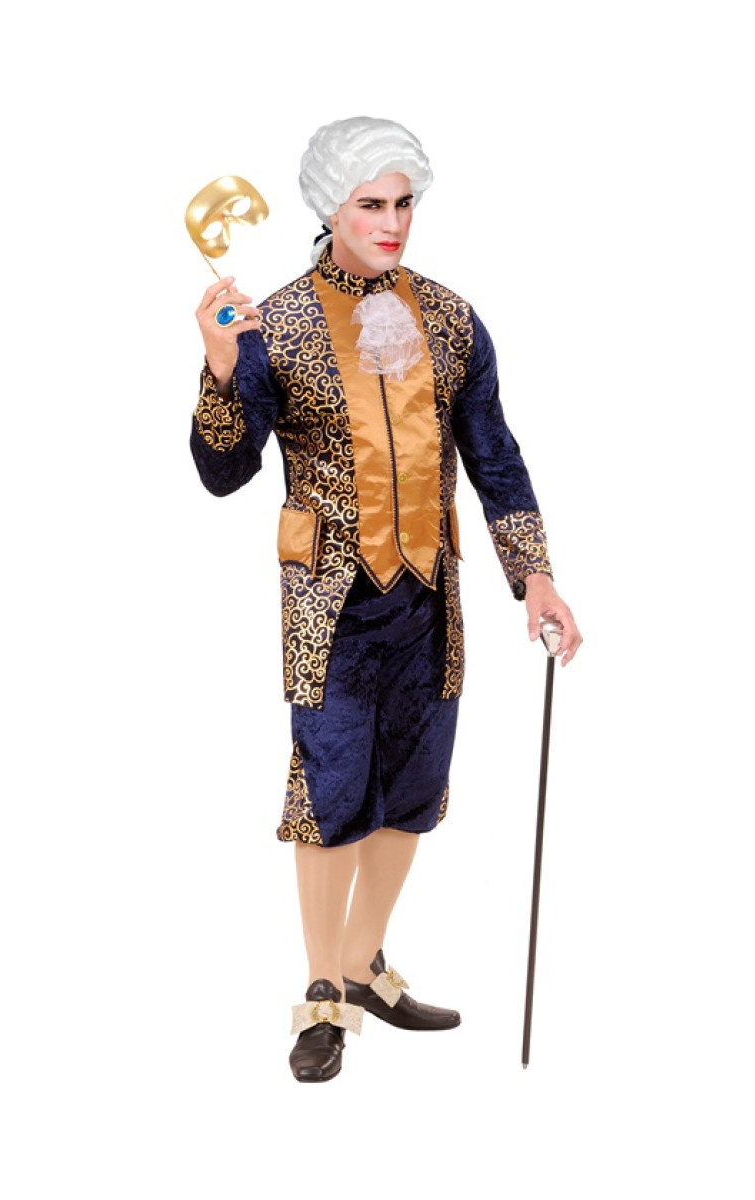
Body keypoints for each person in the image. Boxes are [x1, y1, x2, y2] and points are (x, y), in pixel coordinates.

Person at [190, 116, 582, 1082]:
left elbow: (494, 455)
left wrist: (533, 574)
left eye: (405, 203)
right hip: (330, 606)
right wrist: (221, 372)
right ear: (330, 207)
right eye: (372, 204)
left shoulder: (450, 318)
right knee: (329, 794)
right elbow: (223, 473)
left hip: (430, 599)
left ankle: (366, 964)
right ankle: (323, 991)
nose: (394, 222)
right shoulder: (274, 325)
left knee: (413, 791)